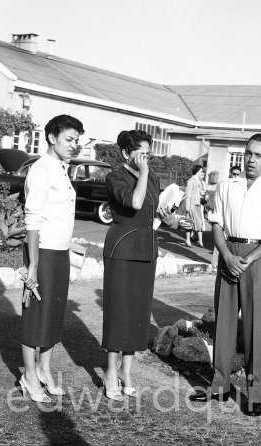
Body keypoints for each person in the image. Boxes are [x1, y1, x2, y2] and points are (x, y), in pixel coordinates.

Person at [190, 133, 261, 417]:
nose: (251, 159)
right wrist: (227, 255)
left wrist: (249, 258)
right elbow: (217, 224)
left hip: (258, 256)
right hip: (229, 253)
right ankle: (219, 384)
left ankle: (255, 392)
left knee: (256, 325)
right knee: (223, 320)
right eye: (248, 153)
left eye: (258, 155)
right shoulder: (227, 185)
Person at [101, 130, 171, 401]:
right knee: (119, 311)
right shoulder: (115, 177)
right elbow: (135, 202)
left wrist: (168, 217)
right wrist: (142, 173)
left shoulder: (151, 177)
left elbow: (150, 211)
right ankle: (110, 371)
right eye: (141, 154)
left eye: (148, 154)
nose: (146, 160)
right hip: (122, 247)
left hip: (146, 246)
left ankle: (126, 371)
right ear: (126, 153)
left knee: (138, 312)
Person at [19, 114, 85, 403]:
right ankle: (29, 376)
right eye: (69, 139)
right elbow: (32, 220)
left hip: (58, 253)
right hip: (42, 254)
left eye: (77, 141)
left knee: (54, 314)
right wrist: (32, 265)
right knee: (36, 315)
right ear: (51, 138)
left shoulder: (59, 168)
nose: (74, 145)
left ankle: (44, 370)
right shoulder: (42, 169)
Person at [183, 164, 208, 247]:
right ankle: (188, 240)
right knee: (189, 223)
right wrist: (187, 207)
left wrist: (201, 193)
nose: (202, 173)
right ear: (197, 171)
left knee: (198, 223)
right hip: (191, 205)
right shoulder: (191, 181)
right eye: (201, 171)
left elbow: (196, 192)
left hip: (197, 204)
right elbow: (188, 195)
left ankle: (198, 241)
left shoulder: (198, 181)